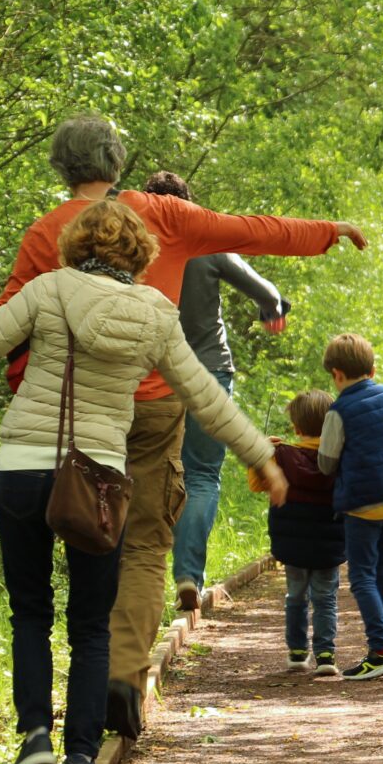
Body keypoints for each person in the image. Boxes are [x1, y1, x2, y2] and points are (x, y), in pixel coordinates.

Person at [0, 115, 367, 739]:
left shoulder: (47, 233)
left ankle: (46, 727)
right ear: (117, 160)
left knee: (63, 561)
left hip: (68, 424)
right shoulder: (164, 214)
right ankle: (123, 675)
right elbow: (250, 231)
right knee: (146, 542)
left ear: (60, 167)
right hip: (153, 405)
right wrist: (327, 232)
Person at [0, 200, 289, 764]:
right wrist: (263, 457)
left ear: (75, 244)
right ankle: (80, 760)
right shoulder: (155, 312)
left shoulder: (50, 288)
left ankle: (33, 739)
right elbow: (207, 396)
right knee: (90, 624)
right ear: (141, 256)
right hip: (98, 478)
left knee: (30, 610)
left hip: (24, 467)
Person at [141, 171, 290, 614]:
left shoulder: (128, 247)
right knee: (202, 475)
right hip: (207, 373)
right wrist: (271, 313)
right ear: (189, 205)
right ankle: (188, 576)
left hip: (150, 379)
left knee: (146, 476)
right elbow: (268, 292)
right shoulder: (207, 244)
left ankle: (136, 584)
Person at [317, 332, 383, 681]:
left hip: (362, 505)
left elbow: (327, 463)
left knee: (361, 576)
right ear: (372, 370)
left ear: (336, 374)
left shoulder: (338, 411)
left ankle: (381, 650)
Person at [248, 390, 346, 677]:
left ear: (296, 428)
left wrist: (261, 455)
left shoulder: (280, 456)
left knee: (296, 595)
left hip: (293, 543)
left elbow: (257, 484)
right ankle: (326, 654)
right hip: (329, 542)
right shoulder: (340, 458)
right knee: (326, 596)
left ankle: (297, 651)